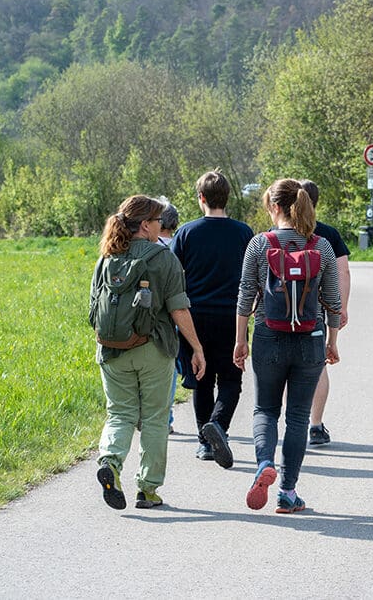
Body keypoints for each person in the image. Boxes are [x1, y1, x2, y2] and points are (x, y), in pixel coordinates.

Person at [92, 195, 206, 510]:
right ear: (145, 224)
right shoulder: (163, 257)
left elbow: (93, 307)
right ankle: (148, 489)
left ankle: (111, 463)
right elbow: (179, 309)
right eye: (158, 221)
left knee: (120, 413)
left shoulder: (107, 257)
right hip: (153, 348)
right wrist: (196, 347)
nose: (160, 226)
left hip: (112, 349)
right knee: (155, 418)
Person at [234, 178, 341, 514]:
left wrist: (241, 340)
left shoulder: (258, 244)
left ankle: (265, 462)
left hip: (268, 335)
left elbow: (244, 297)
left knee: (265, 409)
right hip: (310, 338)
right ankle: (288, 492)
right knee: (297, 416)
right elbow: (333, 300)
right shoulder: (321, 247)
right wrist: (332, 341)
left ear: (275, 207)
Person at [171, 171, 254, 468]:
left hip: (195, 317)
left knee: (202, 378)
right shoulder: (244, 233)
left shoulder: (186, 233)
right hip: (233, 316)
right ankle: (219, 425)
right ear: (227, 197)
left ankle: (205, 443)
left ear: (201, 198)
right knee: (232, 379)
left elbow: (172, 276)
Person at [297, 179, 350, 446]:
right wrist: (340, 307)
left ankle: (294, 422)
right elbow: (343, 272)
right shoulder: (328, 234)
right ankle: (315, 426)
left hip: (278, 313)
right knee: (317, 367)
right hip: (315, 312)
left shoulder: (274, 233)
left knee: (286, 368)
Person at [156, 198, 180, 433]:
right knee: (169, 368)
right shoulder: (180, 245)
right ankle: (166, 416)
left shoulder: (148, 246)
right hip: (175, 314)